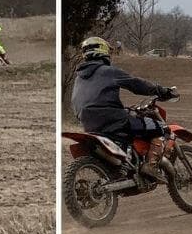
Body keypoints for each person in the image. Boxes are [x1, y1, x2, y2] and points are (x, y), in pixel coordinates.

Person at [71, 37, 177, 181]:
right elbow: (136, 84)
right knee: (160, 127)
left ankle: (127, 164)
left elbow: (76, 101)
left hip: (88, 123)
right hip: (113, 119)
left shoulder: (79, 78)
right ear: (104, 52)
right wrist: (161, 91)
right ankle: (150, 166)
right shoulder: (109, 71)